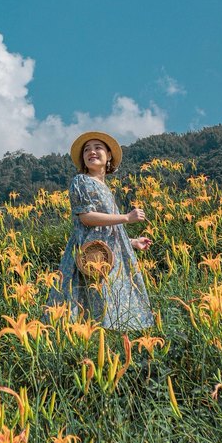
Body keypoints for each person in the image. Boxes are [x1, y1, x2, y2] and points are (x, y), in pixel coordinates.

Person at [45, 131, 154, 331]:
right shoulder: (81, 181)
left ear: (109, 155)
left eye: (98, 148)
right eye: (87, 149)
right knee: (89, 313)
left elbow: (106, 229)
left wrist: (132, 242)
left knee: (111, 312)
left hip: (109, 257)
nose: (92, 152)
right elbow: (86, 218)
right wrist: (126, 218)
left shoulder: (104, 187)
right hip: (91, 256)